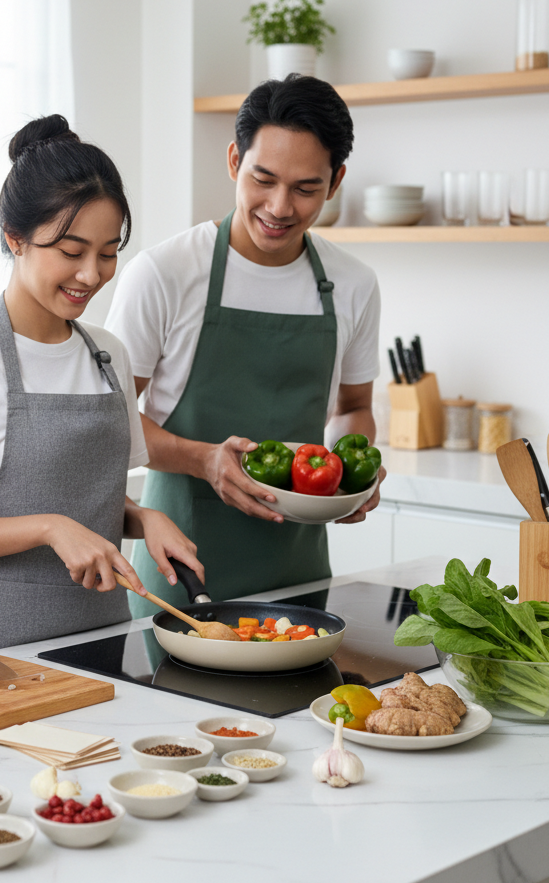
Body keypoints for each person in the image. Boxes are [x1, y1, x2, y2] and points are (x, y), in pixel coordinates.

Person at [0, 116, 203, 648]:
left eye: (108, 253)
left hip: (105, 637)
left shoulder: (108, 354)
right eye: (71, 251)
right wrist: (48, 527)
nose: (92, 274)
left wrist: (143, 517)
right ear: (15, 239)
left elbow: (89, 497)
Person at [105, 75, 384, 615]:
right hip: (180, 571)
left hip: (298, 571)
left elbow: (353, 409)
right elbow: (112, 418)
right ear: (235, 161)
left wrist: (354, 473)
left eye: (306, 188)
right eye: (264, 179)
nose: (280, 207)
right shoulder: (165, 274)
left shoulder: (354, 284)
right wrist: (204, 460)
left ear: (336, 182)